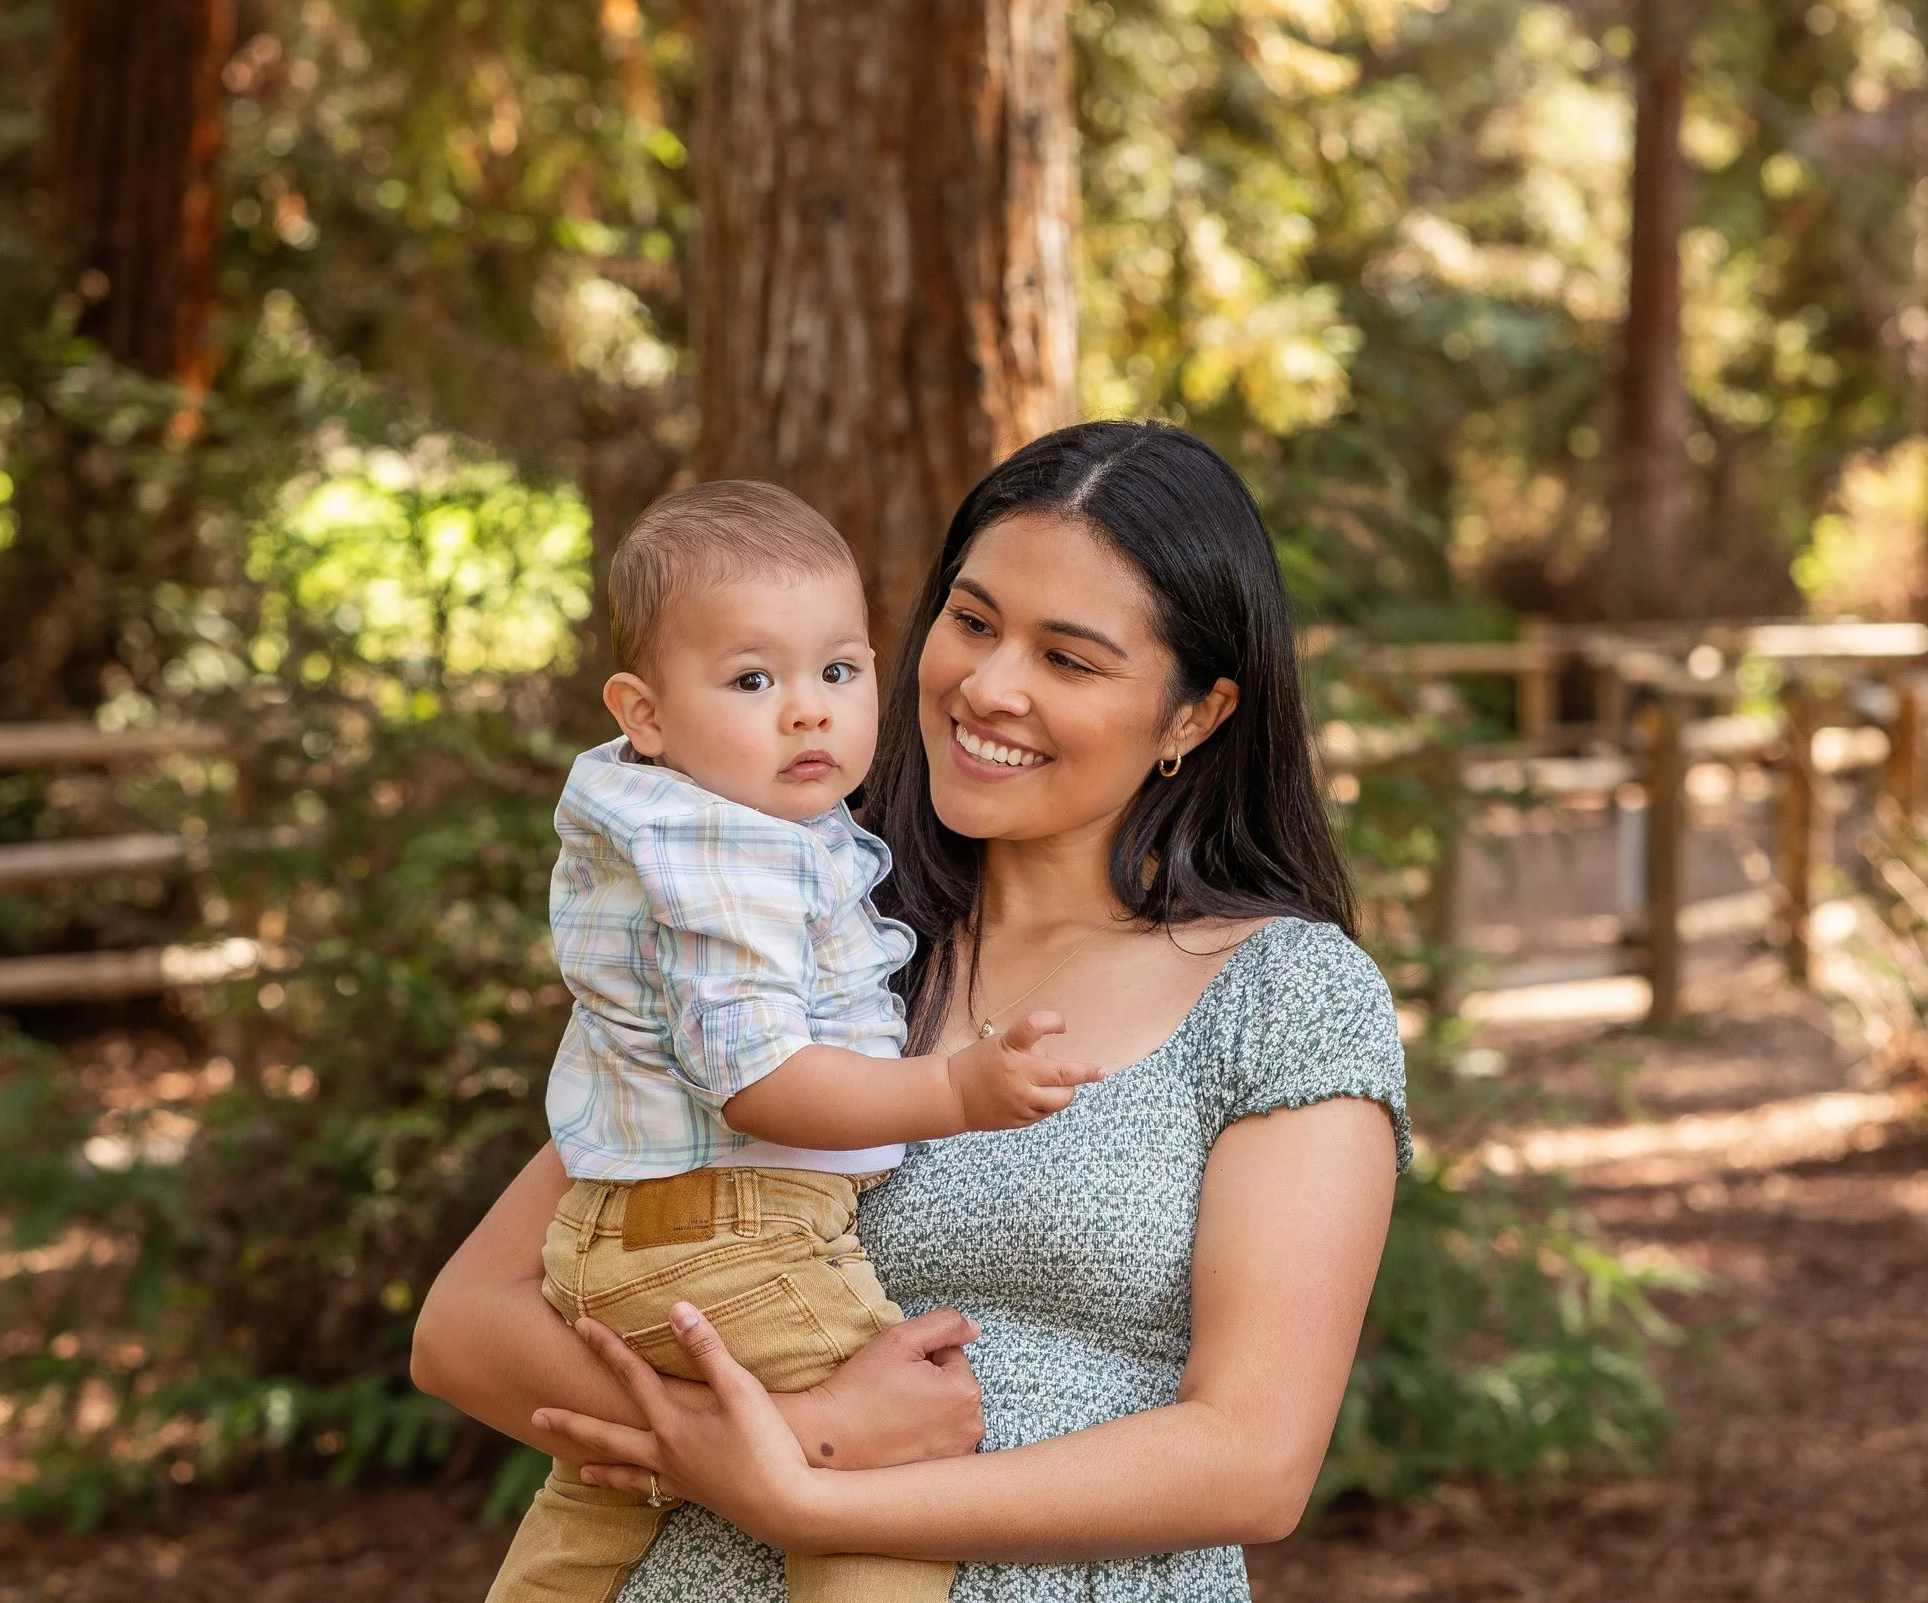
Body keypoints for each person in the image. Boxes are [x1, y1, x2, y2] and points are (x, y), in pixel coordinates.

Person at [416, 421, 1413, 1602]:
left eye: (1070, 659)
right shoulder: (806, 935)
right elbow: (468, 1326)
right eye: (972, 621)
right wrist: (806, 1429)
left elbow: (1252, 1460)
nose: (989, 686)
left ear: (1193, 717)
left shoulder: (1286, 996)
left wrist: (810, 1496)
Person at [490, 480, 1102, 1603]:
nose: (809, 710)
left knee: (595, 1494)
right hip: (733, 1238)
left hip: (634, 1227)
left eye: (837, 669)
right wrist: (958, 1088)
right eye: (752, 679)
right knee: (895, 1486)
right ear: (645, 714)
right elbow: (758, 1081)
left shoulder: (709, 827)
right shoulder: (729, 862)